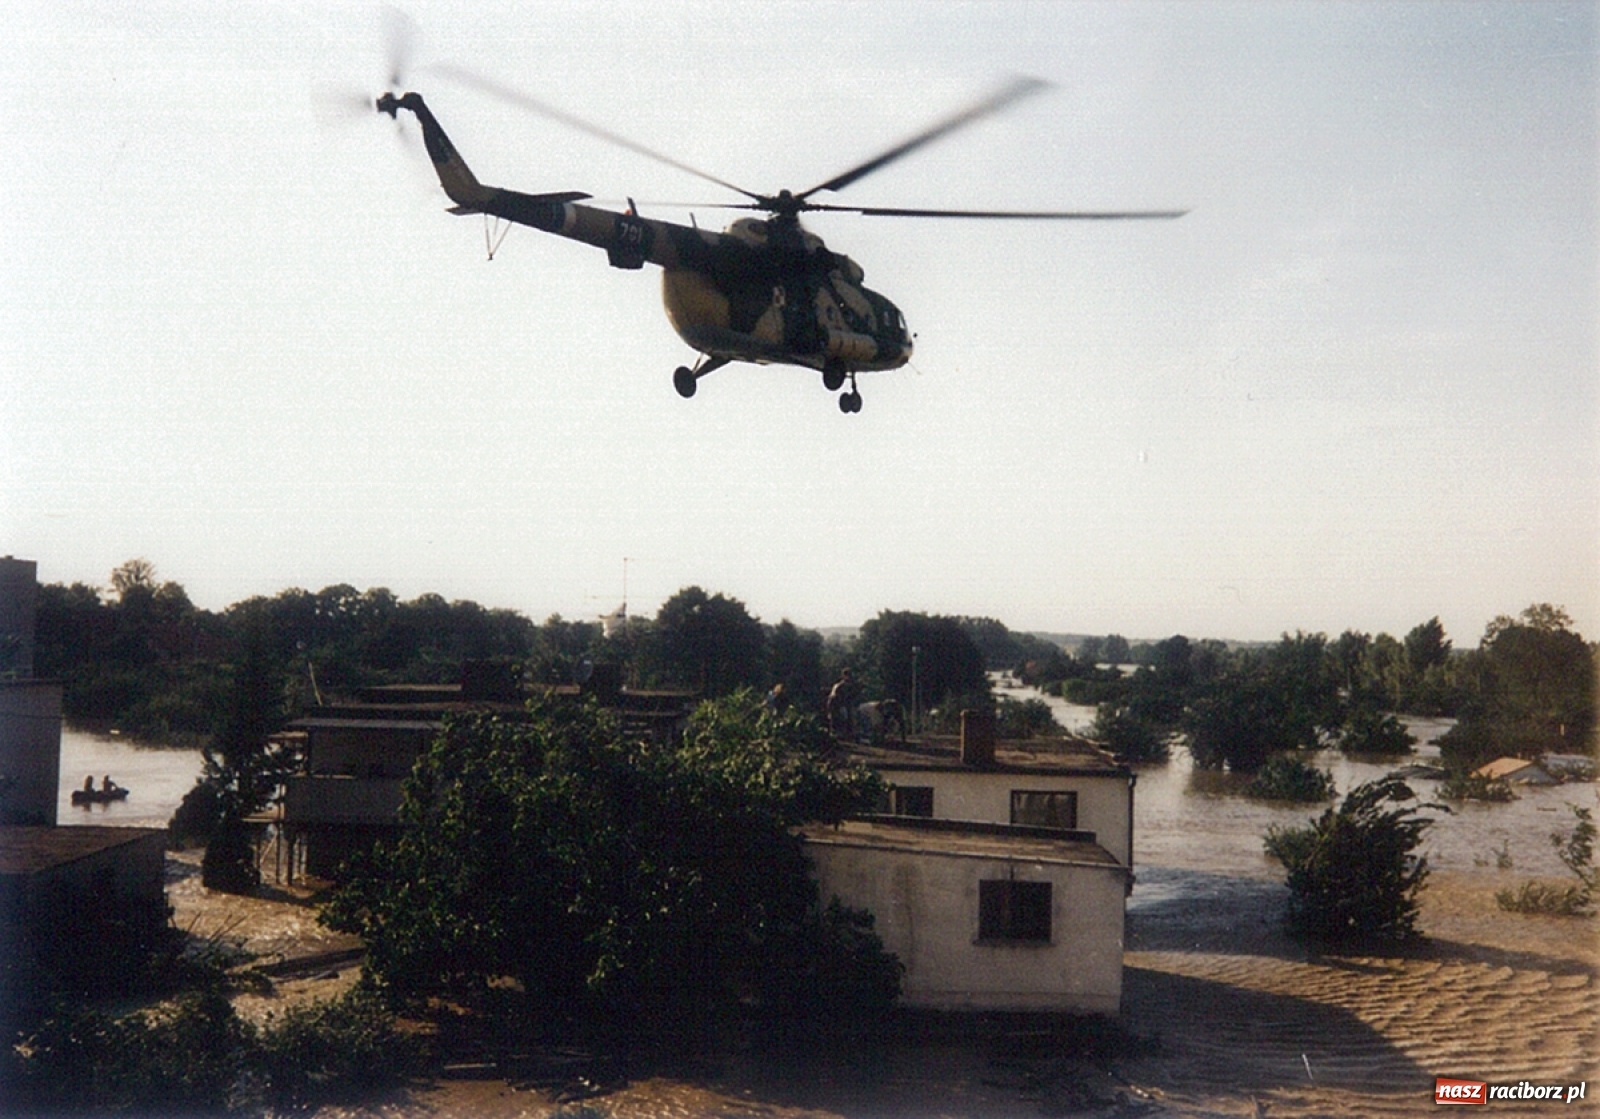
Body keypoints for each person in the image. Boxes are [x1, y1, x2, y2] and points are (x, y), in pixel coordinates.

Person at [826, 669, 859, 738]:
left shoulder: (844, 685)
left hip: (838, 704)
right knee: (838, 718)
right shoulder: (841, 685)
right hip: (836, 703)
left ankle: (843, 733)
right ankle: (836, 733)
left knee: (842, 717)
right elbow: (836, 696)